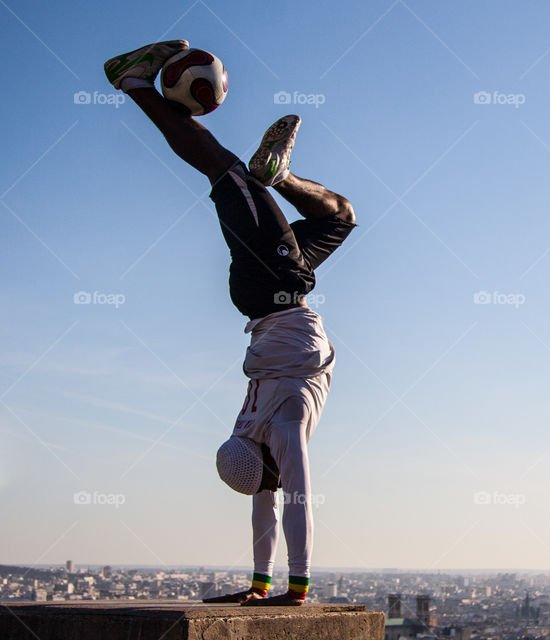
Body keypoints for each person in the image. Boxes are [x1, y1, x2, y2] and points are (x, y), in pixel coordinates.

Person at [104, 40, 356, 606]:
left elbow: (299, 502)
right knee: (340, 217)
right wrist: (265, 586)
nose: (275, 482)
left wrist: (299, 589)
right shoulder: (255, 440)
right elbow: (274, 503)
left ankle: (134, 83)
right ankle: (281, 176)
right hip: (276, 292)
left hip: (275, 287)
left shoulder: (276, 435)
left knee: (224, 170)